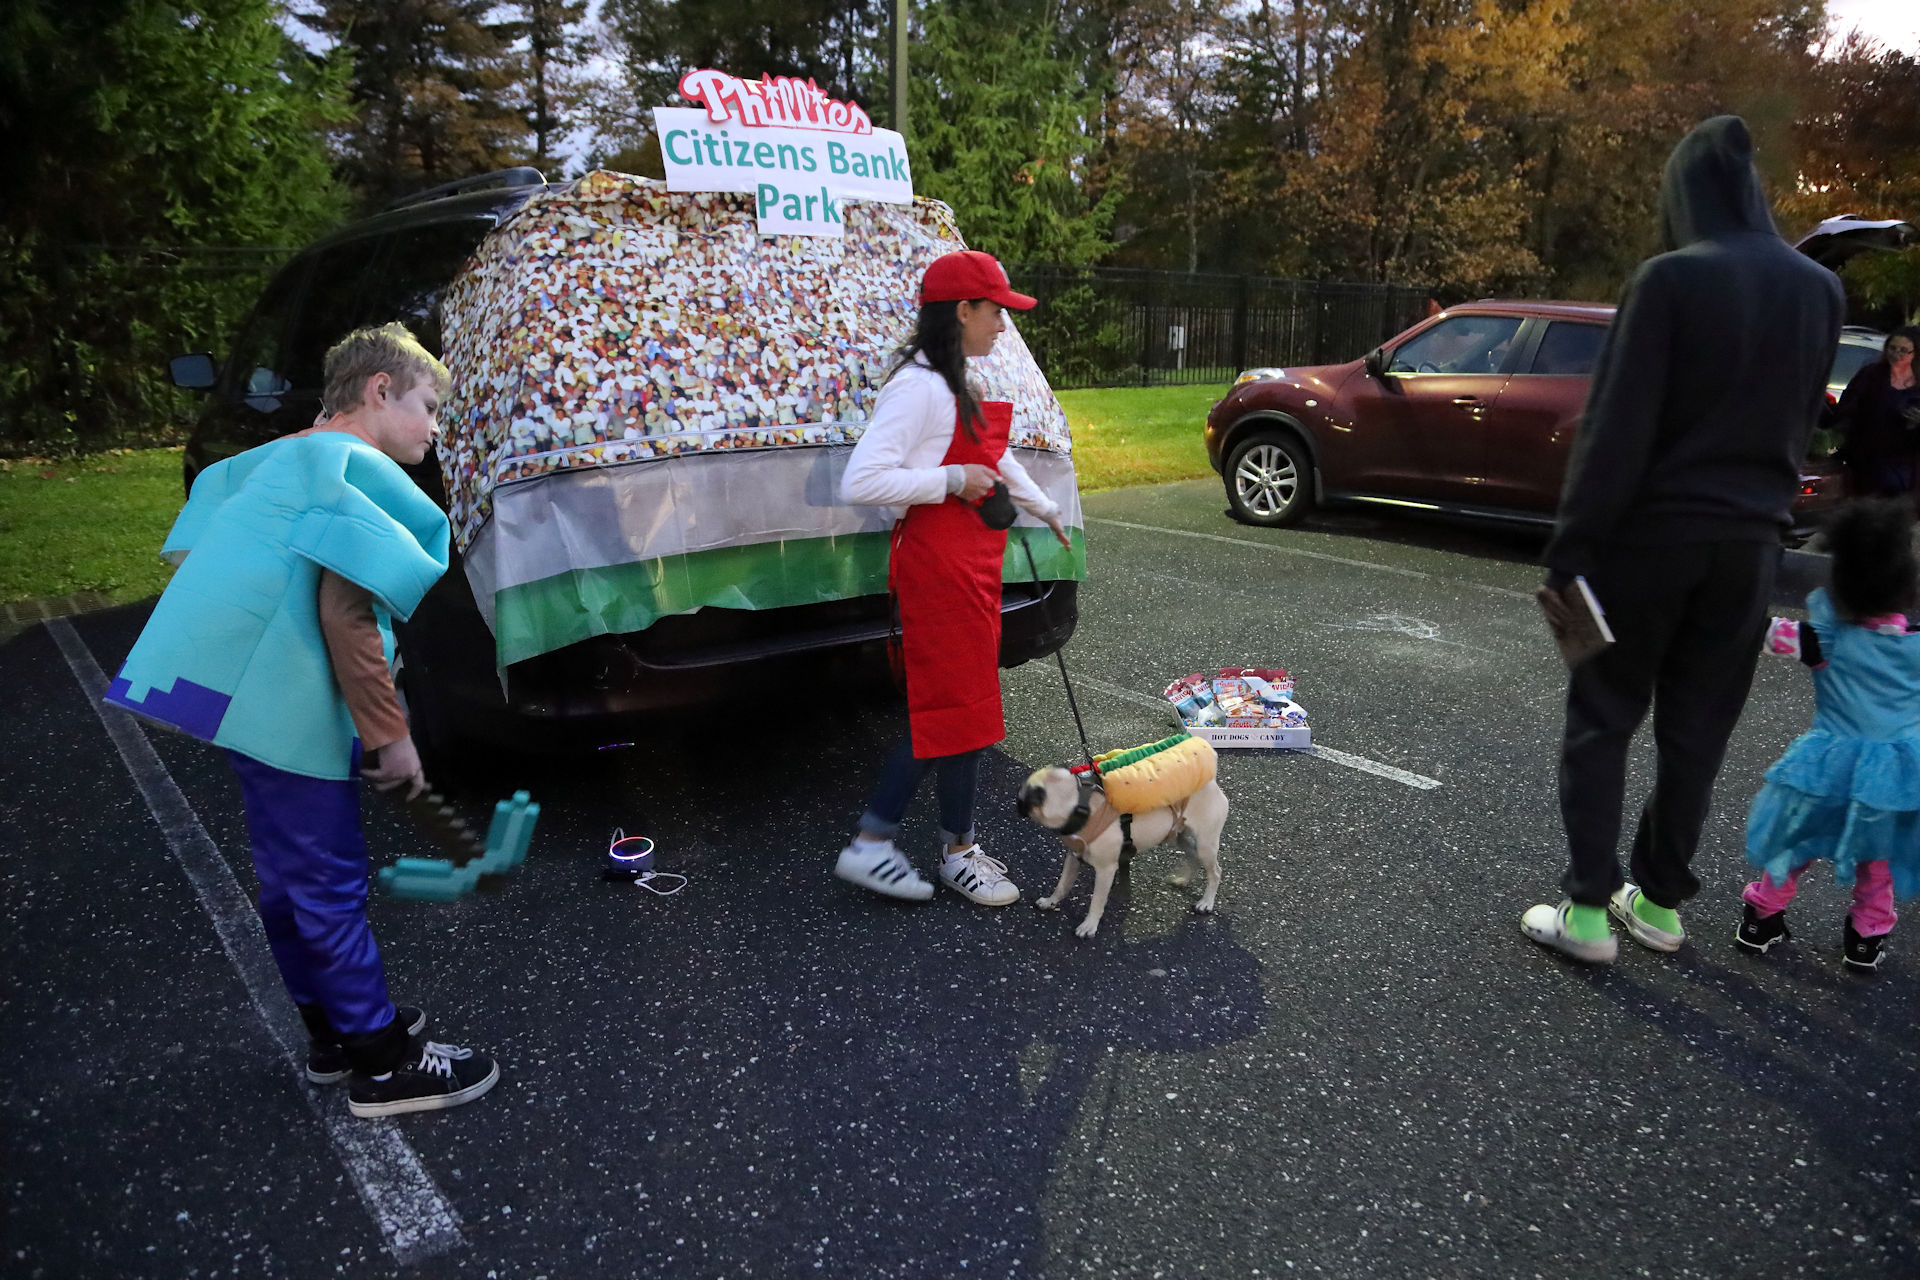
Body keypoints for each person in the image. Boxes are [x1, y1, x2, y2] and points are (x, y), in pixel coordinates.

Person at [106, 323, 500, 1115]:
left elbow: (210, 551)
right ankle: (382, 1063)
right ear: (380, 390)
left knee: (289, 879)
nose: (435, 428)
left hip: (248, 707)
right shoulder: (354, 471)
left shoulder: (283, 456)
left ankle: (334, 1032)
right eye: (428, 407)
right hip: (294, 714)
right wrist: (391, 737)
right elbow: (348, 618)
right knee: (327, 882)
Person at [1523, 116, 1846, 964]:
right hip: (1752, 548)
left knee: (1603, 719)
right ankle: (1660, 903)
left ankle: (1586, 915)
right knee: (1698, 732)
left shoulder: (1669, 278)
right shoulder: (1820, 291)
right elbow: (1803, 419)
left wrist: (1571, 549)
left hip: (1650, 543)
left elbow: (1616, 429)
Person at [833, 250, 1071, 905]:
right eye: (996, 311)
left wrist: (1043, 506)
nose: (1003, 324)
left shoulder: (953, 378)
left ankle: (955, 849)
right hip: (939, 570)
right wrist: (951, 480)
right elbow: (861, 481)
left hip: (969, 566)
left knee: (967, 713)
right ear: (962, 310)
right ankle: (882, 845)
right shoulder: (918, 387)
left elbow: (991, 457)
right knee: (947, 713)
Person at [1738, 499, 1920, 971]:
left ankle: (1761, 918)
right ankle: (1865, 939)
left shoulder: (1822, 638)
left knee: (1795, 842)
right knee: (1878, 859)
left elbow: (1762, 632)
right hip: (1892, 776)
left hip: (1825, 767)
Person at [1832, 327, 1920, 499]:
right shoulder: (1871, 375)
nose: (1896, 354)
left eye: (1903, 350)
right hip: (1868, 460)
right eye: (1892, 348)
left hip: (1905, 464)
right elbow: (1847, 409)